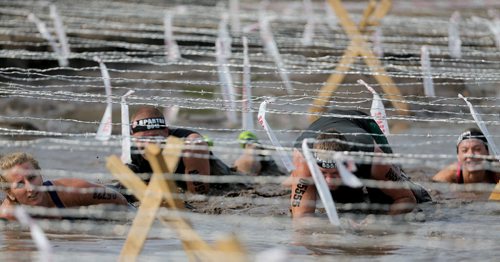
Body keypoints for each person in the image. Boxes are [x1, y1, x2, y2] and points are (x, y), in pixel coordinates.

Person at [289, 110, 431, 218]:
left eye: (336, 173)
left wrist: (379, 222)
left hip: (362, 124)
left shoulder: (373, 156)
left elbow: (406, 199)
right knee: (343, 202)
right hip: (325, 124)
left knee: (384, 201)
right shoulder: (303, 161)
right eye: (323, 173)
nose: (329, 180)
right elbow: (301, 219)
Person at [0, 152, 128, 220]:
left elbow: (121, 201)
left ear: (41, 175)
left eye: (32, 178)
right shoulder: (8, 215)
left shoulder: (73, 191)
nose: (31, 188)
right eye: (20, 184)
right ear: (10, 193)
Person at [433, 128, 500, 184]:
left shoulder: (497, 172)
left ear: (487, 153)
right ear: (458, 156)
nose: (470, 154)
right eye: (464, 150)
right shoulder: (446, 177)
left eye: (477, 149)